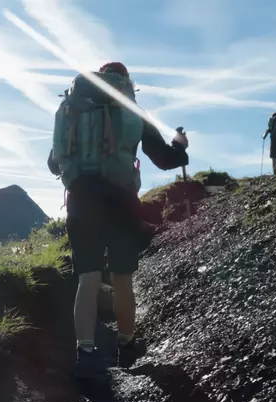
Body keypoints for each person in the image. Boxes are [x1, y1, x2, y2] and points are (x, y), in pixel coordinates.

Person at [47, 62, 189, 380]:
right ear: (126, 82)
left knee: (88, 280)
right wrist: (180, 145)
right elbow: (166, 159)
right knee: (122, 280)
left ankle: (85, 353)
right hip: (122, 201)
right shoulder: (131, 110)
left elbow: (54, 164)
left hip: (81, 199)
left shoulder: (72, 108)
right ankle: (127, 348)